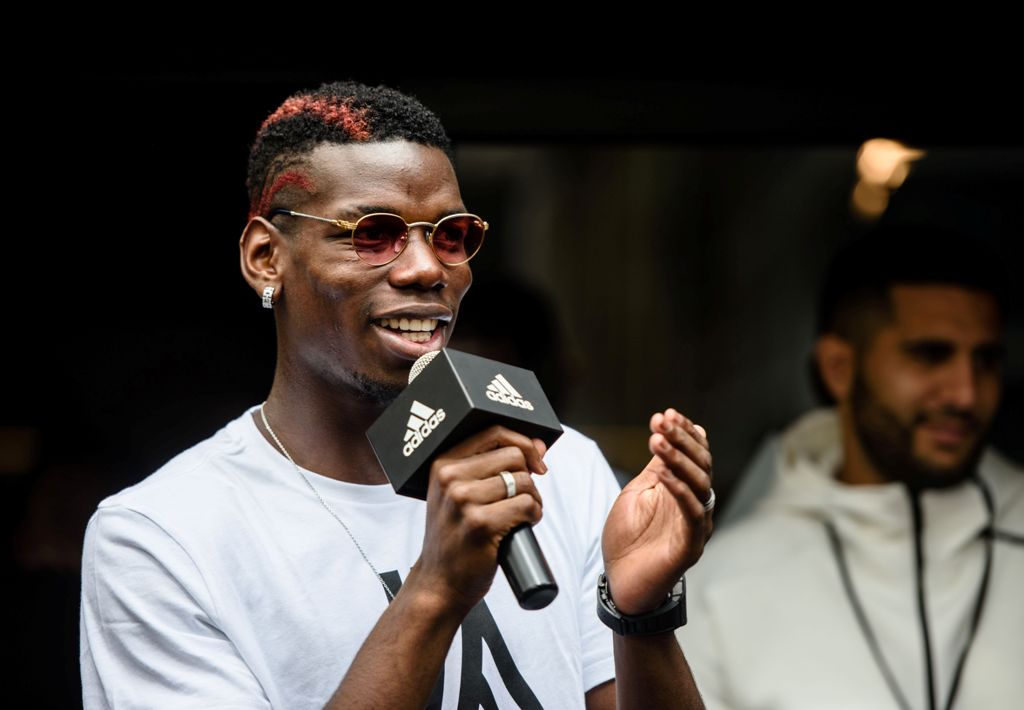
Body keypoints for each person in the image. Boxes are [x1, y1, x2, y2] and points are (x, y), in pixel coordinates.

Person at [80, 80, 715, 709]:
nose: (426, 268)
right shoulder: (162, 535)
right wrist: (435, 591)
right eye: (373, 234)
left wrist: (642, 616)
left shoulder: (559, 467)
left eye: (449, 235)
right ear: (266, 257)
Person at [678, 223, 1023, 709]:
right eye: (930, 355)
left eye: (985, 361)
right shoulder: (719, 584)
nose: (965, 394)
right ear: (839, 368)